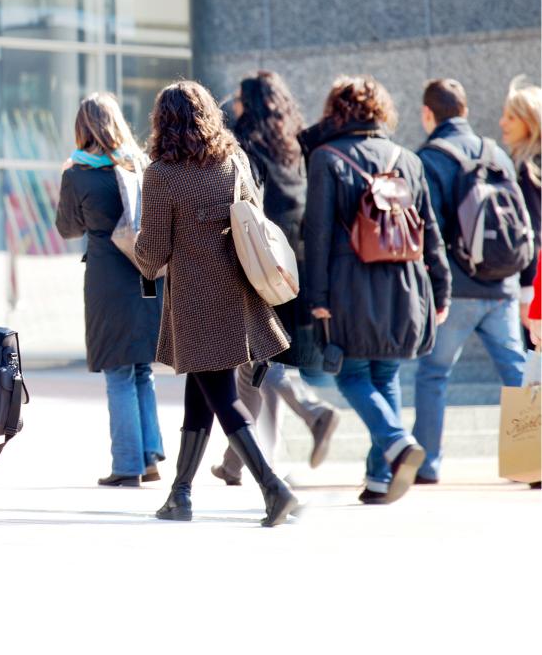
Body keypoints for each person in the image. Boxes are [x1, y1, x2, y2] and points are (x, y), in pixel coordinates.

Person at [133, 80, 297, 527]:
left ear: (162, 121)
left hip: (195, 301)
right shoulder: (234, 161)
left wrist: (134, 244)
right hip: (239, 294)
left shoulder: (161, 175)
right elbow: (254, 218)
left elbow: (152, 255)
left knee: (223, 398)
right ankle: (180, 494)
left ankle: (273, 489)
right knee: (201, 393)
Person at [305, 76, 449, 503]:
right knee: (386, 374)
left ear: (337, 110)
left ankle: (397, 442)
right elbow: (430, 231)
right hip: (405, 283)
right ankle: (379, 479)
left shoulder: (326, 157)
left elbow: (317, 235)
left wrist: (317, 298)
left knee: (351, 374)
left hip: (350, 284)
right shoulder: (409, 159)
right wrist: (440, 288)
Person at [211, 71, 339, 485]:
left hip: (262, 261)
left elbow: (244, 208)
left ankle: (313, 412)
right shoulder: (294, 144)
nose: (234, 106)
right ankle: (236, 463)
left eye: (238, 99)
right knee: (257, 362)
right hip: (294, 260)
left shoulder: (246, 148)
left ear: (249, 104)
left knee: (260, 356)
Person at [413, 78, 530, 484]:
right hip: (503, 285)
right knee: (517, 373)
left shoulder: (430, 157)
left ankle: (427, 464)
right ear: (464, 110)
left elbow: (431, 230)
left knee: (433, 374)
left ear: (429, 114)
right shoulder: (494, 151)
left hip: (458, 289)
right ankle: (532, 458)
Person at [55, 93, 163, 487]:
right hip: (148, 274)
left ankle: (127, 465)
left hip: (108, 279)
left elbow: (68, 229)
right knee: (141, 370)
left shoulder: (78, 173)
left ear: (83, 127)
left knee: (118, 371)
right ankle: (149, 457)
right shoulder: (142, 165)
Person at [500, 79, 541, 328]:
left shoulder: (529, 169)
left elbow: (534, 231)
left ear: (530, 121)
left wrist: (528, 292)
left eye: (511, 118)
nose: (502, 123)